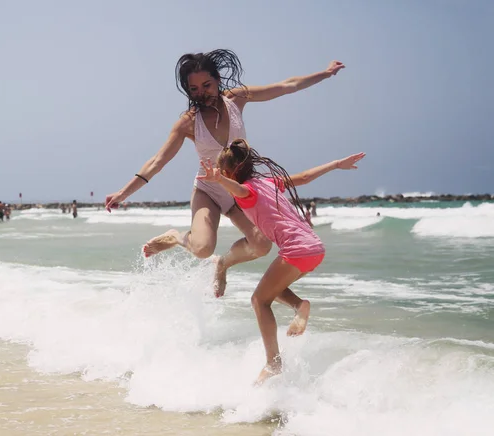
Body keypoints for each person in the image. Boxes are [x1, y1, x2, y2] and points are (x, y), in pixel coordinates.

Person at [105, 49, 346, 297]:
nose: (202, 93)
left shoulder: (237, 100)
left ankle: (222, 264)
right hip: (208, 191)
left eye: (207, 85)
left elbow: (287, 86)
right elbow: (157, 161)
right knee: (202, 248)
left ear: (218, 80)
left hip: (239, 191)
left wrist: (326, 74)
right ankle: (176, 237)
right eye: (194, 89)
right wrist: (123, 193)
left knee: (261, 245)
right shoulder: (188, 123)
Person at [196, 138, 364, 385]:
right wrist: (337, 164)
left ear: (231, 172)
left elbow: (240, 190)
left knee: (258, 300)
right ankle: (298, 307)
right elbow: (305, 177)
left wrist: (219, 180)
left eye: (224, 171)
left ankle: (274, 362)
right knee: (272, 290)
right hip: (315, 248)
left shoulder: (248, 192)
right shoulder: (268, 183)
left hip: (296, 251)